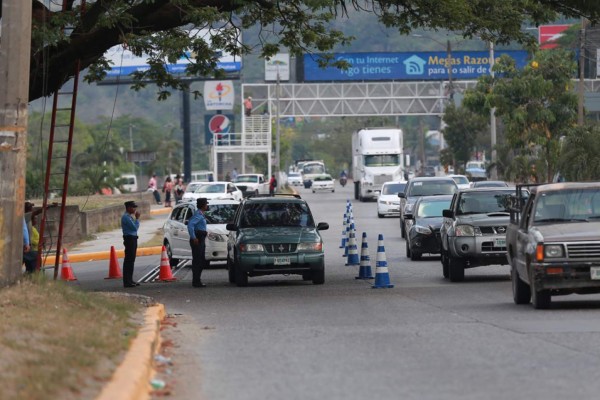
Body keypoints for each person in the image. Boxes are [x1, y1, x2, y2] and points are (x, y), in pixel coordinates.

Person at [187, 198, 209, 287]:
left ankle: (197, 280)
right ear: (203, 205)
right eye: (206, 204)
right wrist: (194, 237)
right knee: (197, 260)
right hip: (198, 238)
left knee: (201, 260)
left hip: (201, 238)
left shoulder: (201, 214)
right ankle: (196, 281)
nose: (207, 206)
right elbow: (190, 225)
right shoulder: (198, 215)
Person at [121, 201, 141, 288]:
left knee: (131, 260)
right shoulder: (126, 217)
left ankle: (130, 280)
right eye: (133, 207)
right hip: (129, 239)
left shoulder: (129, 217)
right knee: (129, 260)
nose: (134, 209)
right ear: (128, 208)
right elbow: (134, 228)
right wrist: (137, 219)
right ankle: (127, 281)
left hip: (133, 239)